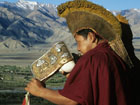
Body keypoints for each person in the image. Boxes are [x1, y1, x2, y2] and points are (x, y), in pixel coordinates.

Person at [25, 0, 133, 105]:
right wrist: (74, 75)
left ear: (91, 37)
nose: (78, 48)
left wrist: (40, 91)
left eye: (78, 42)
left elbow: (72, 100)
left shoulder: (91, 58)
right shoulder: (114, 56)